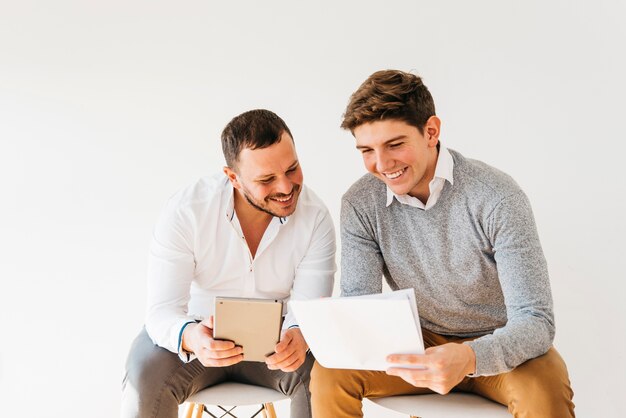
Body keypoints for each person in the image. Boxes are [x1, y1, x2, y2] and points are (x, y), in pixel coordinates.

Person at [310, 70, 574, 417]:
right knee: (328, 375)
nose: (381, 164)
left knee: (544, 392)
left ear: (431, 131)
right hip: (419, 343)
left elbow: (536, 320)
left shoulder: (496, 196)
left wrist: (470, 357)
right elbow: (362, 305)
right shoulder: (361, 203)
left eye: (394, 144)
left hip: (501, 341)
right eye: (367, 150)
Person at [122, 109, 336, 418]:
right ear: (233, 178)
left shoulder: (315, 217)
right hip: (197, 338)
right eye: (267, 179)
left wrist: (300, 333)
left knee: (326, 376)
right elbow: (161, 312)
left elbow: (309, 309)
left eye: (292, 169)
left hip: (276, 346)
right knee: (144, 375)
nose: (286, 188)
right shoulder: (186, 212)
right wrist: (192, 337)